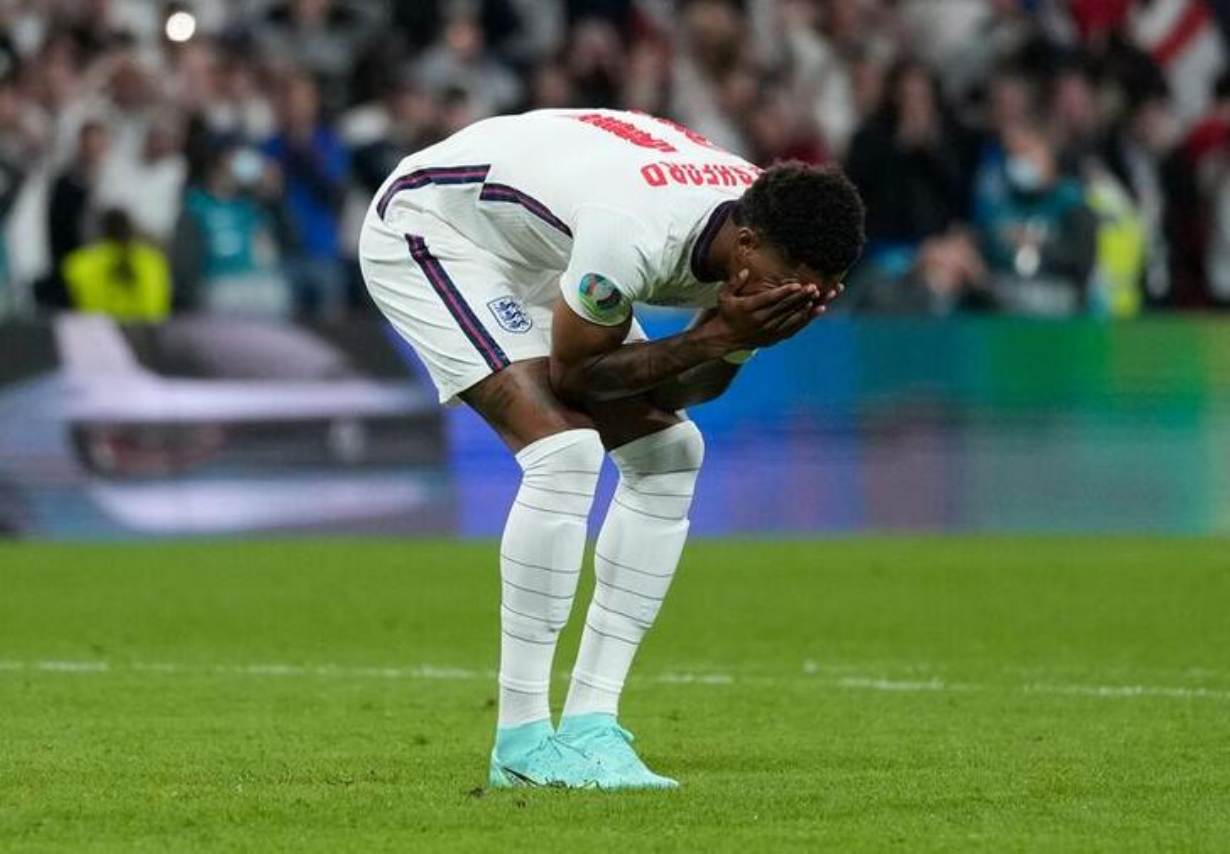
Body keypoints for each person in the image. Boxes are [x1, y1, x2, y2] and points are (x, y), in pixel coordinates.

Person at [358, 108, 863, 790]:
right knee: (564, 451)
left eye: (821, 291)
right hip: (436, 226)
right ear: (746, 246)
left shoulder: (764, 229)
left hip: (543, 241)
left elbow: (681, 389)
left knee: (670, 455)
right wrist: (716, 335)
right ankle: (521, 742)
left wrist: (741, 339)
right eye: (793, 281)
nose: (802, 297)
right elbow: (577, 378)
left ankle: (592, 725)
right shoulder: (635, 231)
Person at [62, 208, 172, 322]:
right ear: (132, 230)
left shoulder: (78, 263)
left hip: (95, 329)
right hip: (149, 330)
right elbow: (159, 308)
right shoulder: (154, 262)